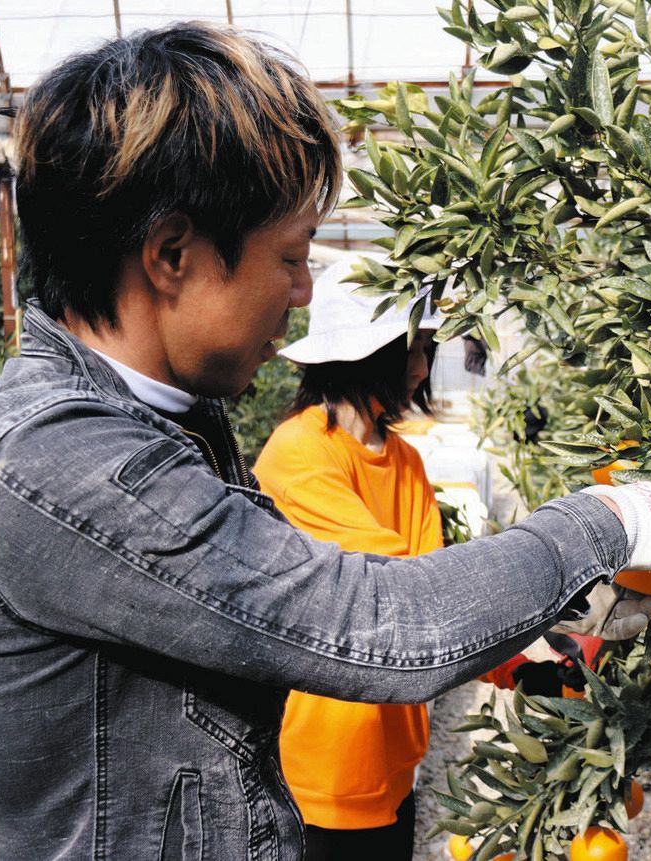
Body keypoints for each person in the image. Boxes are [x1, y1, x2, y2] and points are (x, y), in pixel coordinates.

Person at [0, 22, 651, 861]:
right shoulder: (64, 460)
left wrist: (554, 602)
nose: (300, 292)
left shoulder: (168, 417)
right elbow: (377, 619)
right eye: (290, 257)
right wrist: (602, 522)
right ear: (172, 254)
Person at [252, 262, 589, 860]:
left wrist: (519, 662)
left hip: (394, 751)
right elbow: (400, 598)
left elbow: (438, 588)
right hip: (324, 763)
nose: (418, 367)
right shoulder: (300, 455)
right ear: (353, 355)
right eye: (407, 348)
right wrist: (522, 627)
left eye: (426, 349)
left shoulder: (402, 457)